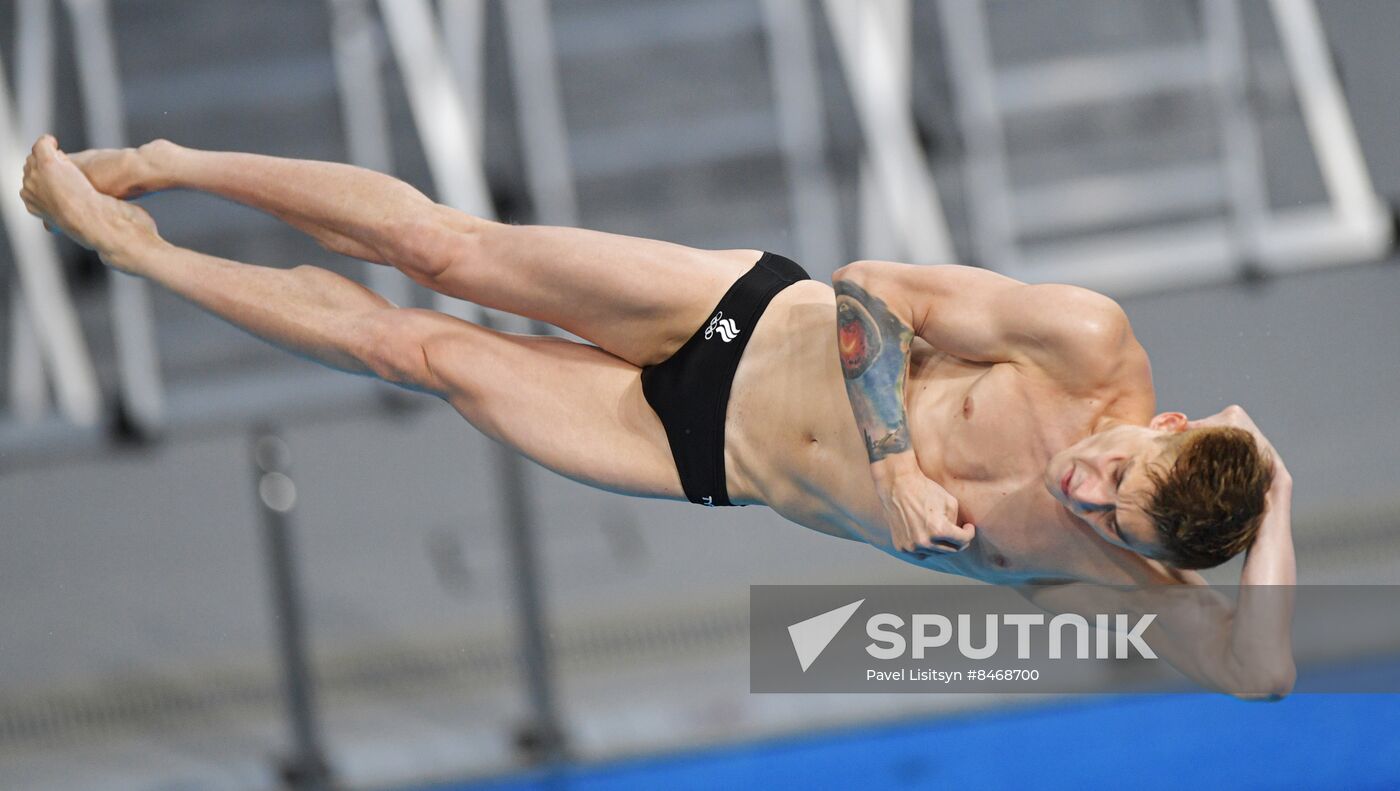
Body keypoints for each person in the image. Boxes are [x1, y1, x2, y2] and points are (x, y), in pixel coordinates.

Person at [19, 135, 1295, 697]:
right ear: (1160, 417)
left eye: (1106, 510)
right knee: (441, 250)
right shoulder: (1082, 339)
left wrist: (1275, 500)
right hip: (741, 317)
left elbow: (1261, 670)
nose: (1082, 490)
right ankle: (178, 164)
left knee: (417, 355)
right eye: (1105, 468)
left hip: (696, 454)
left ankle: (137, 250)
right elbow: (872, 288)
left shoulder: (1122, 570)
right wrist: (897, 458)